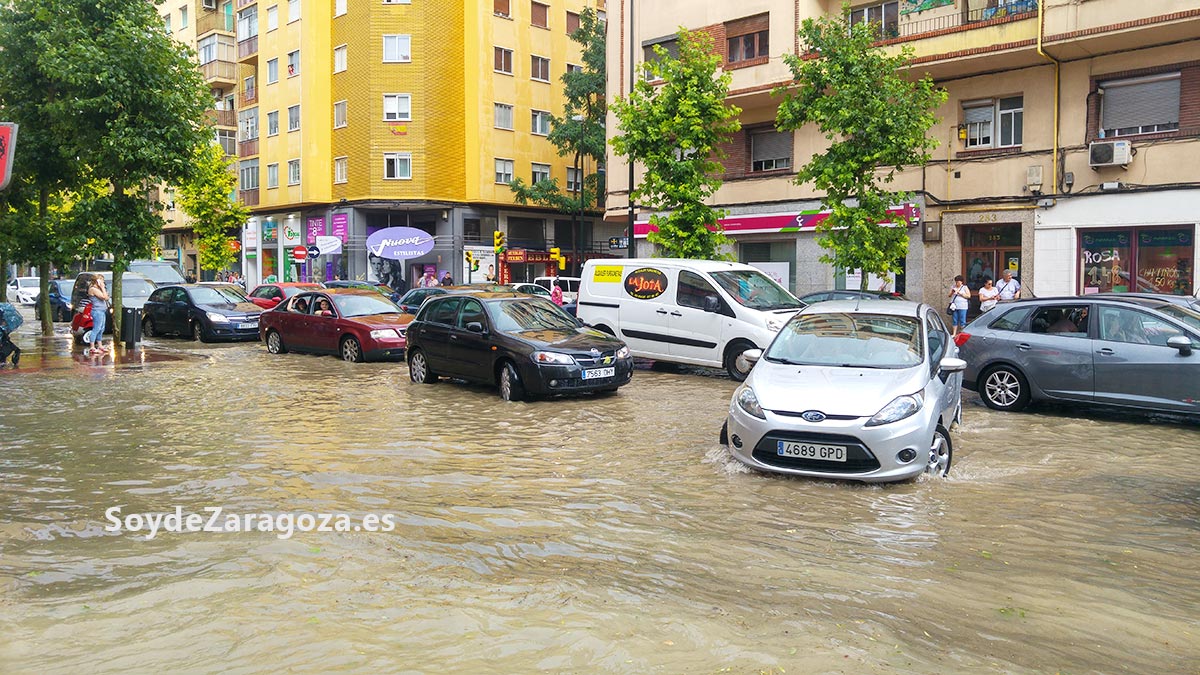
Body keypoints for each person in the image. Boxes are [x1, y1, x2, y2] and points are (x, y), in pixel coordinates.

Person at [84, 274, 110, 355]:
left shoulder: (98, 289)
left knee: (101, 328)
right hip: (97, 311)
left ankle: (100, 345)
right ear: (97, 281)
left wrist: (103, 290)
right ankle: (92, 346)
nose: (103, 282)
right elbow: (104, 297)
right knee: (96, 328)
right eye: (102, 280)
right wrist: (102, 288)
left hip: (102, 310)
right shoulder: (93, 289)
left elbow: (107, 297)